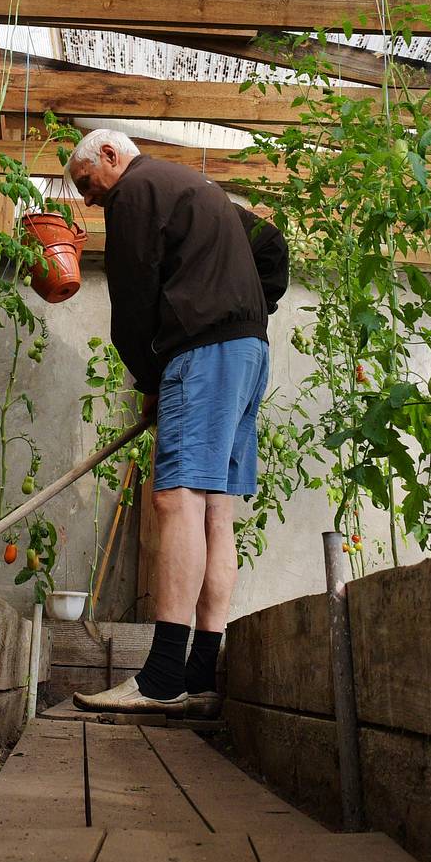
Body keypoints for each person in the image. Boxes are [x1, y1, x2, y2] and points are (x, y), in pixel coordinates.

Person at [65, 128, 287, 716]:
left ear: (111, 156)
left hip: (205, 354)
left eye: (87, 184)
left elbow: (133, 302)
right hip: (247, 353)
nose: (89, 201)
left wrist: (151, 380)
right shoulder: (196, 188)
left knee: (176, 499)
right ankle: (200, 674)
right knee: (216, 509)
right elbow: (272, 244)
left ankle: (161, 677)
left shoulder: (137, 190)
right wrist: (249, 305)